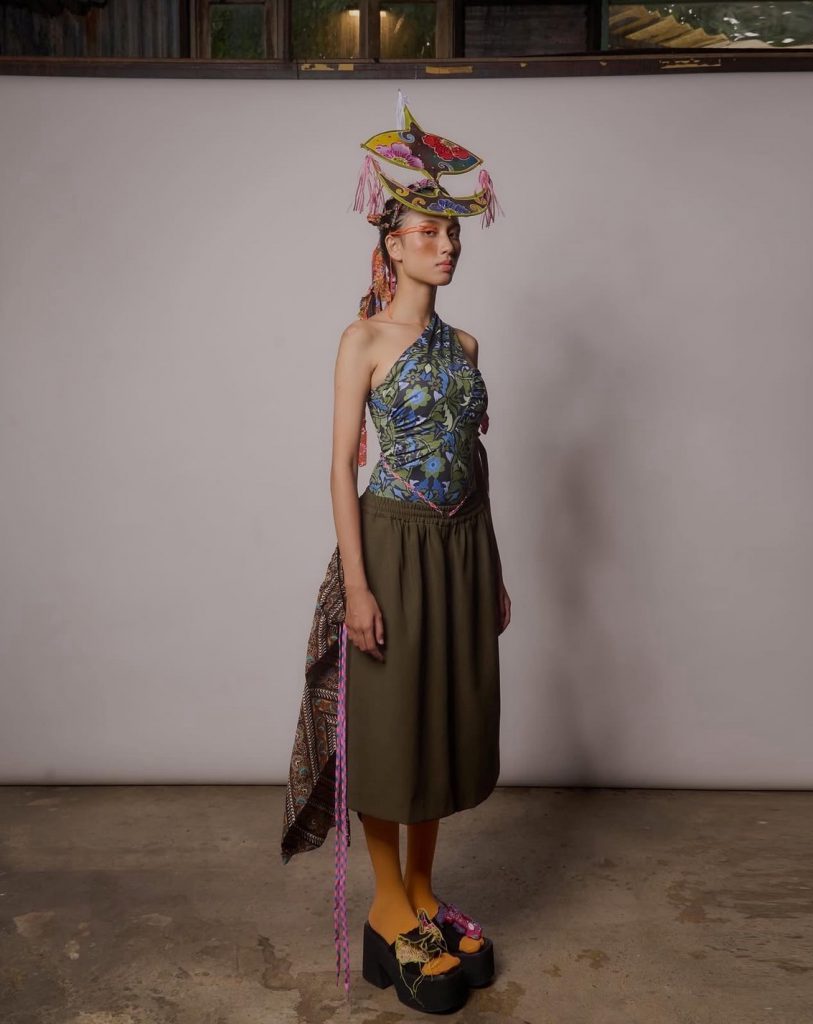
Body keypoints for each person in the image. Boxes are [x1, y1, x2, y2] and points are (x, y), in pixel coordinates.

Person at [281, 91, 509, 1014]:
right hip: (391, 545)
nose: (446, 246)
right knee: (390, 727)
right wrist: (360, 584)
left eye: (452, 233)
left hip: (461, 546)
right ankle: (386, 907)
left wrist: (494, 571)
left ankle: (421, 894)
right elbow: (341, 466)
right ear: (390, 244)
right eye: (428, 233)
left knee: (444, 720)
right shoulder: (364, 340)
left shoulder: (465, 342)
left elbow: (474, 460)